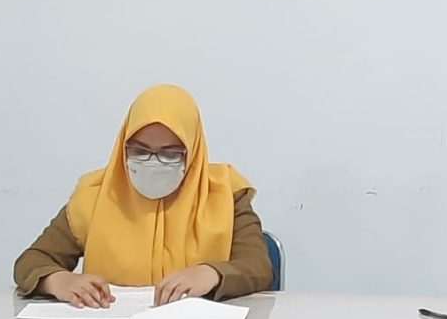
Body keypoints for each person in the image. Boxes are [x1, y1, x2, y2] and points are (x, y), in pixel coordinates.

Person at [14, 84, 272, 307]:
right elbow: (32, 261)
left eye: (170, 153)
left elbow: (258, 266)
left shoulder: (226, 194)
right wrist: (58, 281)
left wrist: (211, 273)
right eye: (139, 150)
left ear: (193, 152)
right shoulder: (95, 196)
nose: (153, 162)